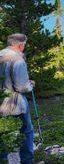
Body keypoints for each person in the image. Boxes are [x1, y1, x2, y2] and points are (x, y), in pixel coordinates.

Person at [0, 33, 35, 164]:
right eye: (24, 45)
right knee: (26, 130)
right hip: (13, 101)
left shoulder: (1, 54)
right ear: (20, 45)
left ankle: (2, 160)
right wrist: (30, 85)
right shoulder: (17, 59)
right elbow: (22, 87)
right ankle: (27, 161)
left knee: (1, 132)